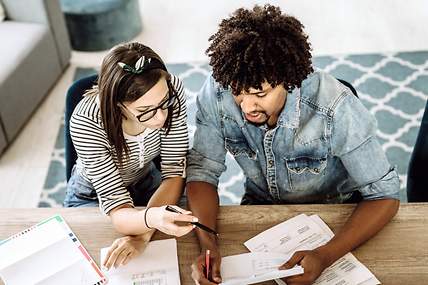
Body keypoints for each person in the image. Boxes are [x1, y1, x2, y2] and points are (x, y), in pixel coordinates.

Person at [186, 5, 400, 285]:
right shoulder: (218, 90)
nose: (246, 106)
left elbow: (385, 195)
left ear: (287, 82)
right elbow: (202, 172)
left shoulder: (335, 106)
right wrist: (208, 244)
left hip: (337, 211)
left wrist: (324, 256)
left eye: (259, 94)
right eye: (238, 93)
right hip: (259, 205)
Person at [63, 42, 197, 269]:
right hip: (92, 196)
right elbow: (117, 207)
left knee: (189, 239)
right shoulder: (86, 121)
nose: (160, 118)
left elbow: (174, 171)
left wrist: (142, 236)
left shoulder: (171, 87)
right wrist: (152, 219)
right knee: (93, 261)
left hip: (148, 181)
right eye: (145, 112)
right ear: (117, 105)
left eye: (164, 104)